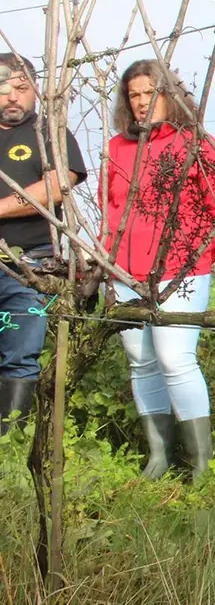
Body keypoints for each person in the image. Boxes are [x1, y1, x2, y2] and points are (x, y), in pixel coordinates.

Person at [101, 59, 215, 480]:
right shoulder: (116, 148)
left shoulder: (197, 142)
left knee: (175, 359)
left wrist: (198, 258)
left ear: (169, 95)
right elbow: (112, 210)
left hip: (179, 269)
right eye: (134, 95)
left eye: (150, 93)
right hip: (125, 271)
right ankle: (159, 456)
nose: (142, 103)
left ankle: (201, 462)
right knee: (141, 363)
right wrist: (109, 263)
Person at [0, 52, 86, 433]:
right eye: (3, 90)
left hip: (29, 267)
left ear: (35, 91)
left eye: (22, 88)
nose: (13, 97)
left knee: (20, 357)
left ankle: (10, 442)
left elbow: (58, 183)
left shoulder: (49, 134)